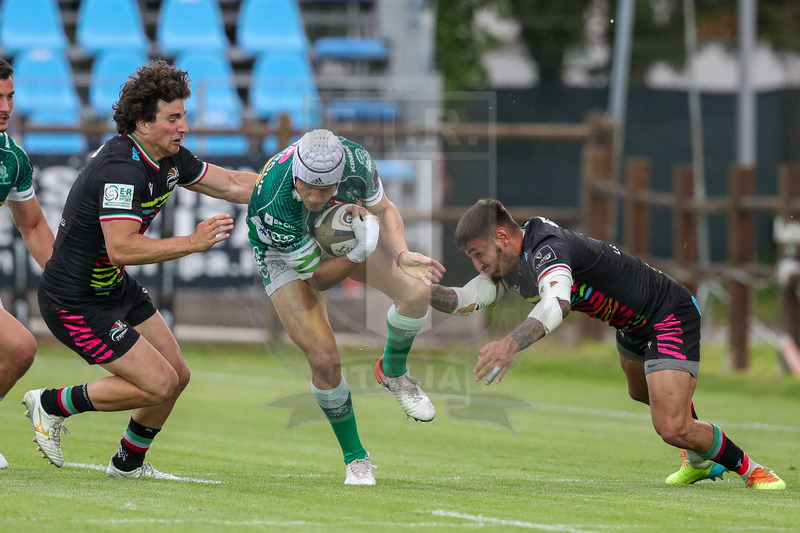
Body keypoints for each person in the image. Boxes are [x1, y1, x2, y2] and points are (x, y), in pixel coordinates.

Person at [428, 198, 786, 490]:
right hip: (631, 325)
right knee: (641, 393)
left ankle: (752, 470)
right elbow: (465, 300)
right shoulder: (512, 262)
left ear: (502, 238)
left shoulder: (548, 250)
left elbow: (557, 304)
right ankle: (699, 459)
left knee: (671, 427)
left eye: (478, 254)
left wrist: (509, 344)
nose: (478, 266)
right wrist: (413, 291)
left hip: (667, 314)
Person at [22, 60, 258, 479]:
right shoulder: (121, 170)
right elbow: (120, 247)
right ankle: (51, 404)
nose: (183, 126)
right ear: (143, 123)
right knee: (160, 383)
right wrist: (193, 242)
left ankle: (127, 464)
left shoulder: (166, 158)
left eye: (184, 116)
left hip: (112, 290)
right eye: (173, 118)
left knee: (177, 375)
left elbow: (233, 184)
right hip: (73, 302)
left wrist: (292, 186)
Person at [246, 128, 444, 485]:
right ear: (296, 173)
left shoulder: (357, 162)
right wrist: (360, 250)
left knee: (416, 294)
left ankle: (393, 371)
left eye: (325, 189)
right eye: (308, 186)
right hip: (283, 253)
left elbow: (385, 209)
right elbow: (317, 278)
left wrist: (402, 252)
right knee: (324, 358)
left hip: (340, 235)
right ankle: (356, 458)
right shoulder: (274, 197)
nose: (315, 196)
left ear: (339, 177)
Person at [0, 59, 55, 470]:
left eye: (10, 96)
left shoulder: (12, 157)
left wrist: (65, 280)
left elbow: (34, 225)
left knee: (19, 349)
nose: (5, 106)